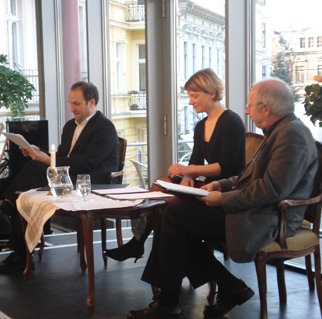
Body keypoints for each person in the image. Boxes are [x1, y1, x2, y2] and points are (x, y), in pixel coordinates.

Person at [126, 77, 319, 319]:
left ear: (266, 109)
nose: (246, 109)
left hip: (271, 219)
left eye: (250, 104)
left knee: (174, 218)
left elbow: (271, 190)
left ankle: (178, 301)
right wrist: (221, 184)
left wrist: (223, 199)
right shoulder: (279, 131)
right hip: (256, 211)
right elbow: (249, 178)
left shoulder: (291, 135)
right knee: (172, 218)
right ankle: (204, 294)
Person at [0, 81, 119, 273]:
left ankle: (6, 216)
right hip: (70, 176)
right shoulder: (70, 127)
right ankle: (18, 249)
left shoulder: (104, 127)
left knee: (34, 170)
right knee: (26, 194)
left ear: (92, 102)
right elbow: (64, 157)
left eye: (77, 104)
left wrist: (47, 160)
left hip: (90, 182)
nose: (72, 109)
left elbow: (87, 162)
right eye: (70, 103)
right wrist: (38, 152)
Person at [105, 68, 246, 262]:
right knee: (159, 185)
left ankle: (140, 244)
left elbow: (226, 167)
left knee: (163, 202)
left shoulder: (231, 122)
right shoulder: (201, 125)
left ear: (212, 93)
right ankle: (142, 245)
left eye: (194, 96)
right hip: (206, 186)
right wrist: (188, 177)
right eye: (189, 96)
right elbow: (195, 162)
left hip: (224, 191)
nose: (190, 102)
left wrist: (190, 171)